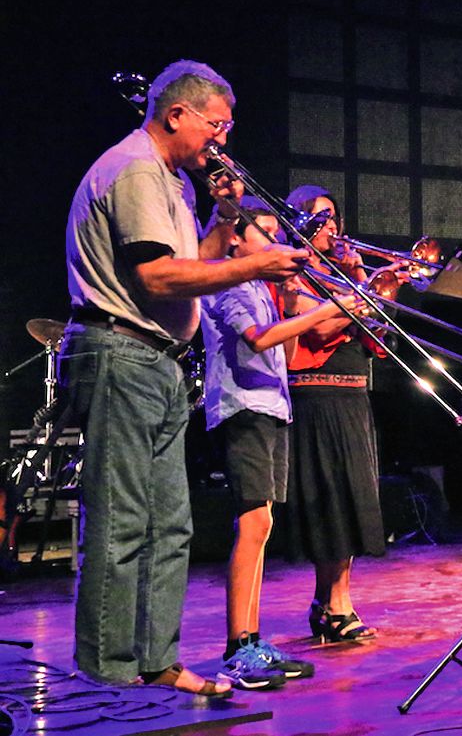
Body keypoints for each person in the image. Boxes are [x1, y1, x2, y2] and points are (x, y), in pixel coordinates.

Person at [61, 60, 307, 694]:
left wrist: (225, 220)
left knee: (171, 525)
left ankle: (156, 661)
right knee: (121, 521)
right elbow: (158, 277)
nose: (222, 140)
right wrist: (257, 267)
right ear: (177, 115)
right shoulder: (137, 169)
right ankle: (110, 676)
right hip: (121, 352)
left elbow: (191, 262)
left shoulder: (172, 181)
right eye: (216, 126)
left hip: (159, 360)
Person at [199, 197, 358, 688]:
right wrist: (326, 309)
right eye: (265, 233)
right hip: (244, 407)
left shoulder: (260, 288)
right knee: (251, 526)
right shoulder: (227, 283)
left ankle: (251, 640)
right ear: (235, 240)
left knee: (262, 525)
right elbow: (258, 339)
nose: (277, 242)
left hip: (271, 406)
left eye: (277, 233)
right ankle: (237, 648)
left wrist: (291, 306)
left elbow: (286, 354)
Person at [281, 185, 394, 643]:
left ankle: (328, 601)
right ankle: (337, 605)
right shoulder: (296, 273)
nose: (330, 226)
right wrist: (364, 295)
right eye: (319, 217)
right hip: (318, 398)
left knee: (350, 502)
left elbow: (379, 337)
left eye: (333, 217)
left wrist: (363, 279)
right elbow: (320, 329)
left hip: (352, 396)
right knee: (331, 505)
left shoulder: (340, 276)